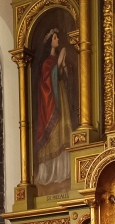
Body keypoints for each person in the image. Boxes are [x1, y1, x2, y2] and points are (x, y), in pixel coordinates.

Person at [34, 29, 75, 186]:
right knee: (55, 131)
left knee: (64, 130)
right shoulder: (46, 62)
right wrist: (58, 63)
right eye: (55, 38)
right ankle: (51, 173)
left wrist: (63, 65)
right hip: (52, 103)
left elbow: (64, 77)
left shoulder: (57, 58)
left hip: (61, 96)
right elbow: (46, 83)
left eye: (58, 38)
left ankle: (64, 171)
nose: (57, 40)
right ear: (50, 42)